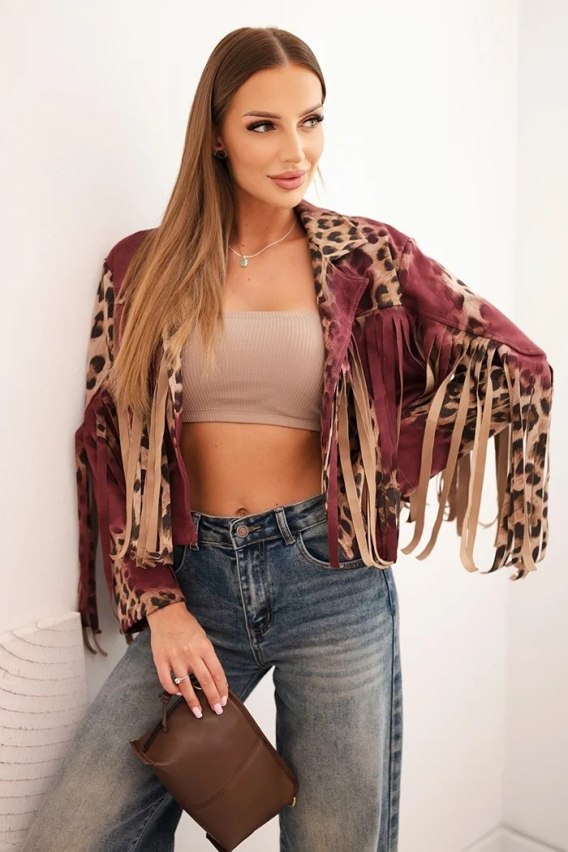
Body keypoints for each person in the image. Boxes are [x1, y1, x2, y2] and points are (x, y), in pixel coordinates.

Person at [23, 25, 553, 852]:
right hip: (196, 582)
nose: (295, 149)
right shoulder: (141, 267)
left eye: (310, 120)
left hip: (331, 580)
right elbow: (116, 443)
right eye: (263, 125)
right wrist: (159, 601)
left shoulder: (366, 257)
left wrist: (373, 469)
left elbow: (516, 365)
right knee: (71, 836)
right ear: (217, 136)